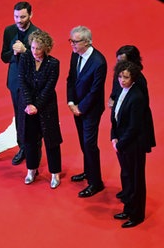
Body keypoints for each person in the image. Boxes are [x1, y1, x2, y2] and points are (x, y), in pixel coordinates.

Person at [110, 60, 155, 228]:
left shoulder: (137, 97)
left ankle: (137, 215)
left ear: (133, 78)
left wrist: (119, 144)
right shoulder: (122, 91)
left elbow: (134, 127)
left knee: (136, 181)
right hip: (121, 143)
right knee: (127, 177)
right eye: (120, 76)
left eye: (126, 77)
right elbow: (115, 115)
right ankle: (128, 208)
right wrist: (113, 136)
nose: (122, 80)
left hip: (133, 145)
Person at [17, 30, 63, 188]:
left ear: (46, 49)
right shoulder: (25, 58)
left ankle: (55, 173)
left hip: (46, 107)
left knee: (51, 141)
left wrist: (37, 105)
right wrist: (29, 104)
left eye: (38, 48)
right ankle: (31, 170)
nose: (34, 51)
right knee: (30, 140)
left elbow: (49, 88)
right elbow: (21, 81)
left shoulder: (53, 64)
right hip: (28, 107)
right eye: (33, 47)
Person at [66, 25, 107, 198]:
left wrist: (80, 108)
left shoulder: (99, 62)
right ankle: (88, 171)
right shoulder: (75, 55)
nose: (72, 45)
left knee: (90, 144)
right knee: (84, 143)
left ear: (88, 42)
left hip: (90, 110)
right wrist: (71, 102)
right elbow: (71, 79)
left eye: (76, 42)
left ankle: (96, 183)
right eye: (71, 41)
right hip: (76, 107)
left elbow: (95, 91)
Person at [1, 2, 41, 166]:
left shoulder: (37, 34)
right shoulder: (9, 31)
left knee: (31, 118)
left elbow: (41, 61)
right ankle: (22, 148)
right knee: (19, 116)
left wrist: (25, 52)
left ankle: (34, 150)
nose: (19, 20)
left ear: (31, 15)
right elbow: (4, 57)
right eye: (16, 16)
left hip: (31, 84)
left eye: (23, 16)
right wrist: (14, 52)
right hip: (15, 82)